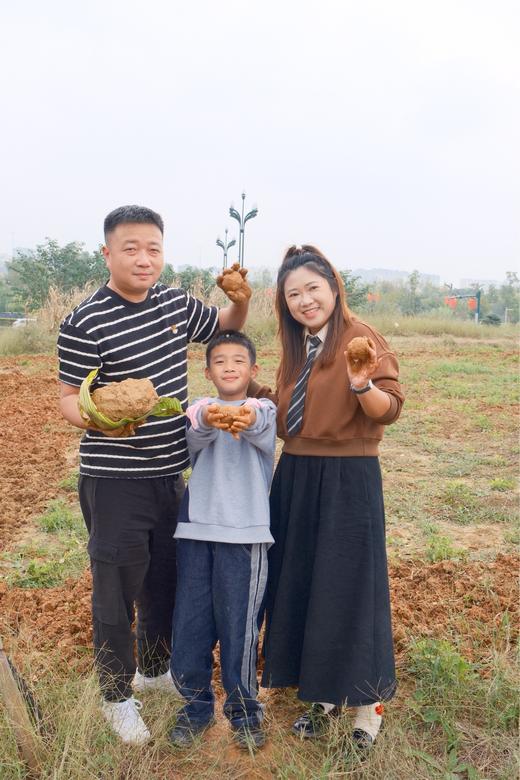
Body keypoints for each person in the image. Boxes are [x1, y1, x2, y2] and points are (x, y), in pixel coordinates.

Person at [57, 205, 252, 744]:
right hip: (114, 480)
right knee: (115, 590)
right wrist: (101, 419)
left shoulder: (175, 304)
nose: (144, 259)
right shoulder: (84, 320)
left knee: (164, 581)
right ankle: (115, 696)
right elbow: (68, 399)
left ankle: (153, 668)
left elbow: (225, 326)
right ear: (107, 254)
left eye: (153, 249)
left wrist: (241, 299)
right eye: (131, 249)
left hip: (171, 474)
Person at [250, 245, 404, 752]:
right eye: (293, 294)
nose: (304, 301)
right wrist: (244, 385)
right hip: (296, 475)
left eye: (312, 288)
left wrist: (361, 386)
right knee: (305, 584)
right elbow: (291, 413)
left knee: (350, 588)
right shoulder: (299, 345)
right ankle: (323, 695)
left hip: (347, 478)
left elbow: (388, 408)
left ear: (334, 288)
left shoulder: (361, 338)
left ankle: (367, 708)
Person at [169, 330, 276, 750]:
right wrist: (210, 417)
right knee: (190, 625)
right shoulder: (199, 410)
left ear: (253, 369)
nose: (229, 367)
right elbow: (196, 428)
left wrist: (243, 416)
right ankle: (195, 708)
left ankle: (245, 713)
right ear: (207, 371)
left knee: (240, 630)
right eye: (219, 361)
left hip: (246, 537)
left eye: (238, 361)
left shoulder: (263, 409)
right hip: (196, 533)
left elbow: (259, 420)